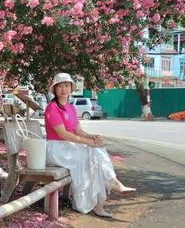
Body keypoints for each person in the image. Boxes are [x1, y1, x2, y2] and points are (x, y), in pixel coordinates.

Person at [44, 73, 135, 218]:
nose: (63, 89)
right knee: (93, 153)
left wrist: (93, 137)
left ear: (71, 89)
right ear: (54, 89)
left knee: (94, 158)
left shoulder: (71, 108)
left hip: (69, 148)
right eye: (60, 86)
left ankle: (103, 196)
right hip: (56, 149)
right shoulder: (52, 108)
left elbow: (79, 131)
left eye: (66, 85)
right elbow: (63, 134)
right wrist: (89, 142)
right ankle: (109, 185)